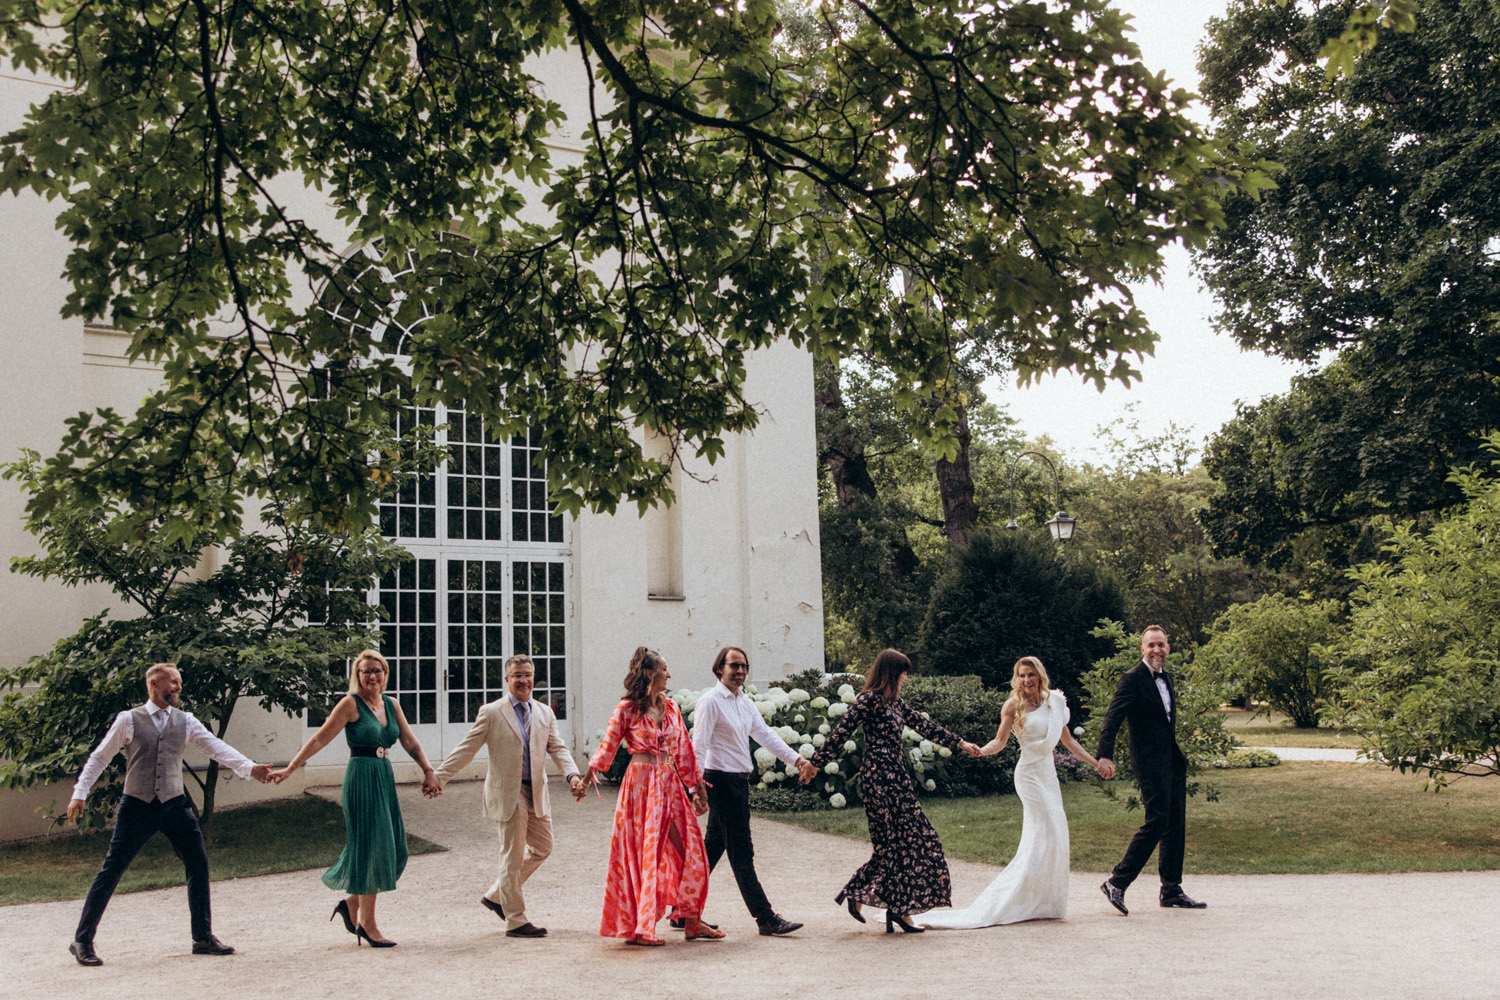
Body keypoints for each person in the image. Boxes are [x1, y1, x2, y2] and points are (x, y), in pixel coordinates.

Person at [66, 662, 273, 967]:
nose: (178, 687)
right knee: (111, 870)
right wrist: (79, 793)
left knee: (198, 863)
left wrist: (249, 768)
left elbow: (215, 747)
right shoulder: (129, 719)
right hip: (137, 806)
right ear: (153, 684)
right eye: (173, 682)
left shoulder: (185, 721)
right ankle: (81, 940)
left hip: (175, 804)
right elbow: (100, 757)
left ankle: (202, 937)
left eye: (179, 682)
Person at [268, 649, 440, 947]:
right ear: (357, 676)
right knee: (372, 848)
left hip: (383, 776)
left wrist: (428, 770)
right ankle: (367, 925)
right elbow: (320, 737)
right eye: (366, 671)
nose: (372, 675)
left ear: (385, 674)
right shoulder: (350, 704)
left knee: (395, 848)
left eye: (377, 670)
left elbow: (409, 740)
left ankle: (351, 904)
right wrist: (291, 768)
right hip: (360, 778)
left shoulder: (391, 703)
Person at [803, 649, 982, 933]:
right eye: (904, 672)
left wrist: (959, 743)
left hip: (897, 778)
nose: (906, 677)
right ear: (892, 672)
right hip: (877, 779)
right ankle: (897, 911)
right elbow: (841, 732)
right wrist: (815, 763)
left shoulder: (896, 704)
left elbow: (925, 726)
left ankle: (863, 895)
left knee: (919, 840)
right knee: (889, 845)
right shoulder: (869, 700)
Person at [920, 656, 1102, 929]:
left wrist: (1095, 763)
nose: (1026, 680)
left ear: (1039, 675)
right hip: (1028, 775)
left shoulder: (1056, 701)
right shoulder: (1013, 705)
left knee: (1055, 836)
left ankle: (1043, 901)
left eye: (1030, 674)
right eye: (1021, 675)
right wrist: (981, 750)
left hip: (1048, 776)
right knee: (1048, 829)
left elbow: (1068, 740)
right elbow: (999, 741)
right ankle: (1012, 899)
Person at [430, 654, 583, 939]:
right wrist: (438, 778)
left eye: (528, 675)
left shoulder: (544, 712)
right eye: (517, 675)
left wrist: (573, 776)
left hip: (535, 790)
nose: (523, 680)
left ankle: (495, 895)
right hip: (507, 793)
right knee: (511, 856)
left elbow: (558, 748)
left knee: (544, 847)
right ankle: (515, 919)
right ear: (507, 679)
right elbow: (467, 748)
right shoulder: (491, 712)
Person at [575, 646, 720, 946]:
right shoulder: (626, 708)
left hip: (670, 786)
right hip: (640, 788)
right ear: (650, 673)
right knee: (645, 856)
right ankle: (640, 928)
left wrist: (699, 790)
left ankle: (692, 920)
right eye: (665, 669)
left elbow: (685, 753)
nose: (669, 674)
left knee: (693, 850)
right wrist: (586, 780)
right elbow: (608, 747)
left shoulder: (671, 709)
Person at [690, 646, 817, 937]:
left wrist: (797, 760)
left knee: (711, 850)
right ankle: (765, 917)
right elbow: (697, 747)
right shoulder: (710, 702)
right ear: (719, 668)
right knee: (742, 853)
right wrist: (696, 787)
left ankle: (681, 909)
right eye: (734, 666)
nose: (740, 671)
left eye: (744, 666)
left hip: (737, 782)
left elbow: (764, 735)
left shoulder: (742, 700)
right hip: (719, 782)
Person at [1096, 625, 1208, 914]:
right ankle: (1117, 882)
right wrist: (1104, 756)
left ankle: (1171, 889)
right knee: (1157, 821)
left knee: (1175, 825)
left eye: (1161, 644)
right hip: (1148, 762)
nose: (1157, 649)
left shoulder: (1167, 678)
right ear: (1142, 649)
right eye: (1151, 645)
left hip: (1171, 761)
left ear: (1168, 648)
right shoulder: (1131, 680)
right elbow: (1112, 719)